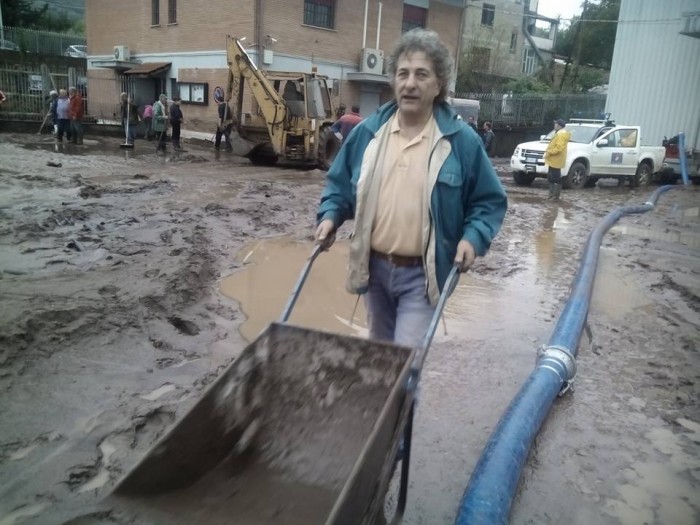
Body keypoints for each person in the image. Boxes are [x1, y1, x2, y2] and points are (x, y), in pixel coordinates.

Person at [315, 29, 507, 348]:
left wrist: (472, 238)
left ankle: (404, 399)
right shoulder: (369, 133)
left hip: (423, 274)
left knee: (404, 364)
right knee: (378, 356)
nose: (410, 83)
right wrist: (330, 215)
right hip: (374, 270)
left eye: (421, 74)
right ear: (393, 81)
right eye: (403, 73)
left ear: (438, 84)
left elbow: (488, 201)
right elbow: (339, 184)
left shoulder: (460, 141)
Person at [543, 118, 571, 201]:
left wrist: (549, 152)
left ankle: (555, 196)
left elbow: (559, 148)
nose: (554, 125)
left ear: (559, 125)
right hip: (553, 160)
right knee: (551, 177)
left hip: (556, 160)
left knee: (555, 178)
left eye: (555, 124)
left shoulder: (561, 135)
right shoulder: (559, 133)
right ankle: (551, 195)